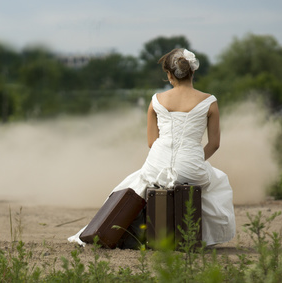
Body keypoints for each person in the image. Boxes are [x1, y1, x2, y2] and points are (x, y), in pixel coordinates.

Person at [68, 48, 236, 247]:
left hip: (157, 163)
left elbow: (151, 142)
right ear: (192, 72)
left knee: (135, 183)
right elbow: (214, 144)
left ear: (169, 75)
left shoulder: (157, 100)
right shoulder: (210, 101)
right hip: (192, 164)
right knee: (217, 181)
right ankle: (199, 237)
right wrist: (195, 159)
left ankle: (116, 230)